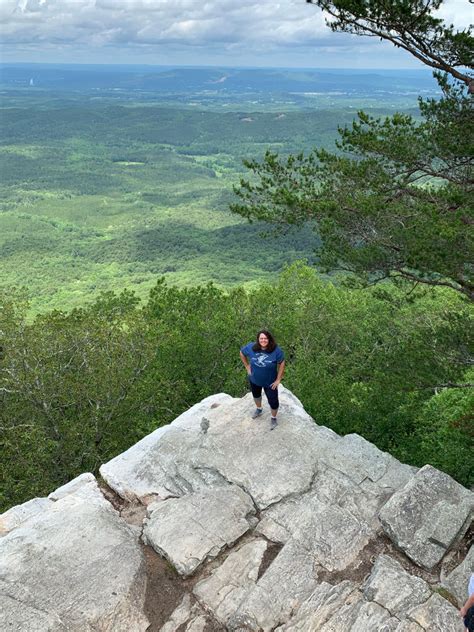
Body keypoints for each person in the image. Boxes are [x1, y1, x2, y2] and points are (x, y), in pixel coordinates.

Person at [240, 330, 285, 430]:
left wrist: (278, 379)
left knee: (273, 402)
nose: (263, 340)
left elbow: (282, 362)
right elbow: (242, 353)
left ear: (269, 339)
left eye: (265, 338)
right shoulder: (251, 347)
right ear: (258, 339)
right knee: (256, 395)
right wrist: (247, 366)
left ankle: (273, 418)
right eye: (261, 338)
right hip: (254, 379)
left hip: (270, 382)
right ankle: (259, 409)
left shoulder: (276, 350)